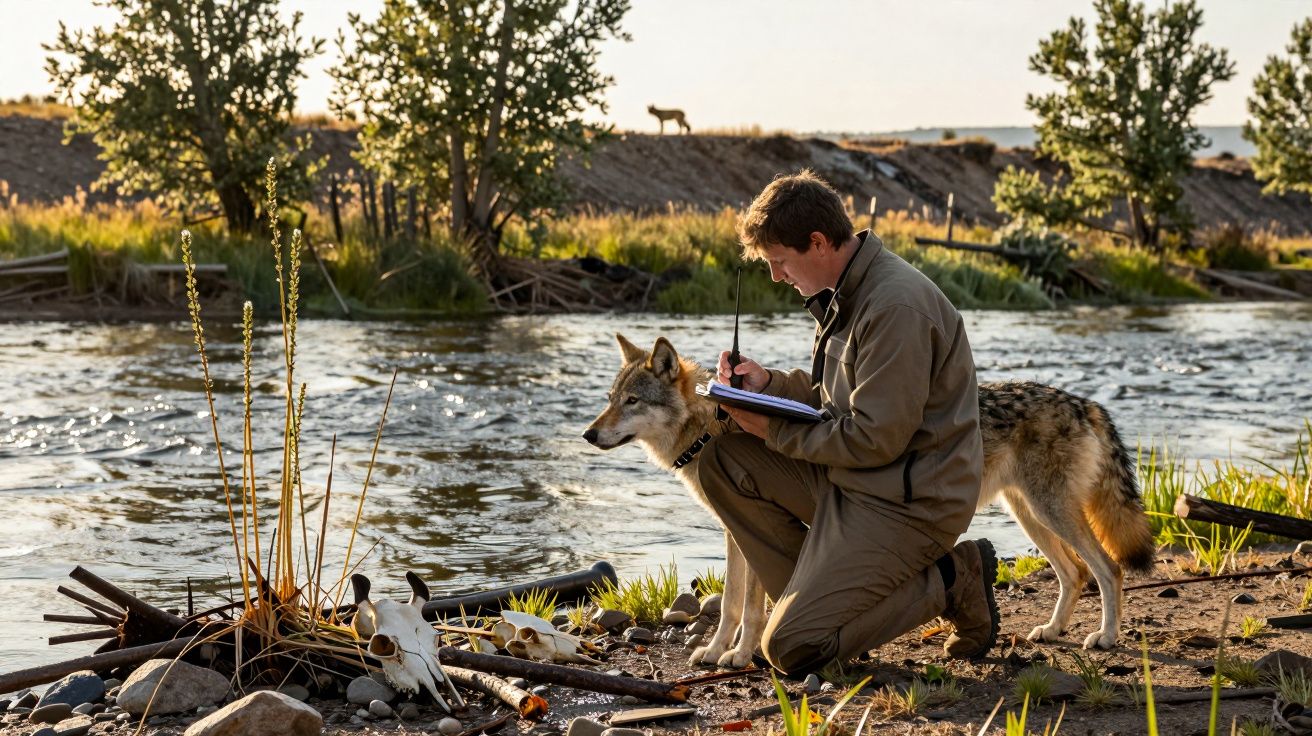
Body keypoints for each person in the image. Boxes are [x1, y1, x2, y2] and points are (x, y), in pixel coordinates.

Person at [701, 170, 998, 676]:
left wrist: (771, 429)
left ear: (817, 243)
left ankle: (954, 577)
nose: (776, 276)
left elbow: (874, 438)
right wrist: (767, 384)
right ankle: (830, 605)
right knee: (725, 462)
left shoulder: (894, 307)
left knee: (793, 650)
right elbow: (829, 401)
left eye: (779, 262)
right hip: (858, 482)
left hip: (910, 504)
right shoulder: (847, 292)